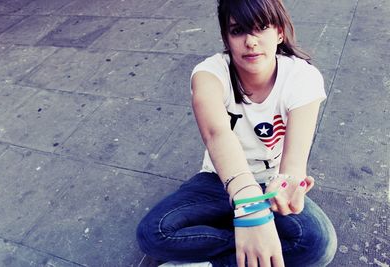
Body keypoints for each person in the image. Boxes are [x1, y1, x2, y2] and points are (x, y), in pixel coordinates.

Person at [137, 0, 337, 266]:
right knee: (153, 234)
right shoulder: (209, 74)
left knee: (318, 244)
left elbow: (294, 160)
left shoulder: (302, 77)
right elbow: (217, 133)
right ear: (226, 38)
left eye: (261, 28)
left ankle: (210, 261)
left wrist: (289, 185)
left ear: (279, 33)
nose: (251, 41)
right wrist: (250, 211)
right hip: (220, 179)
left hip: (270, 185)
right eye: (238, 30)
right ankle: (252, 238)